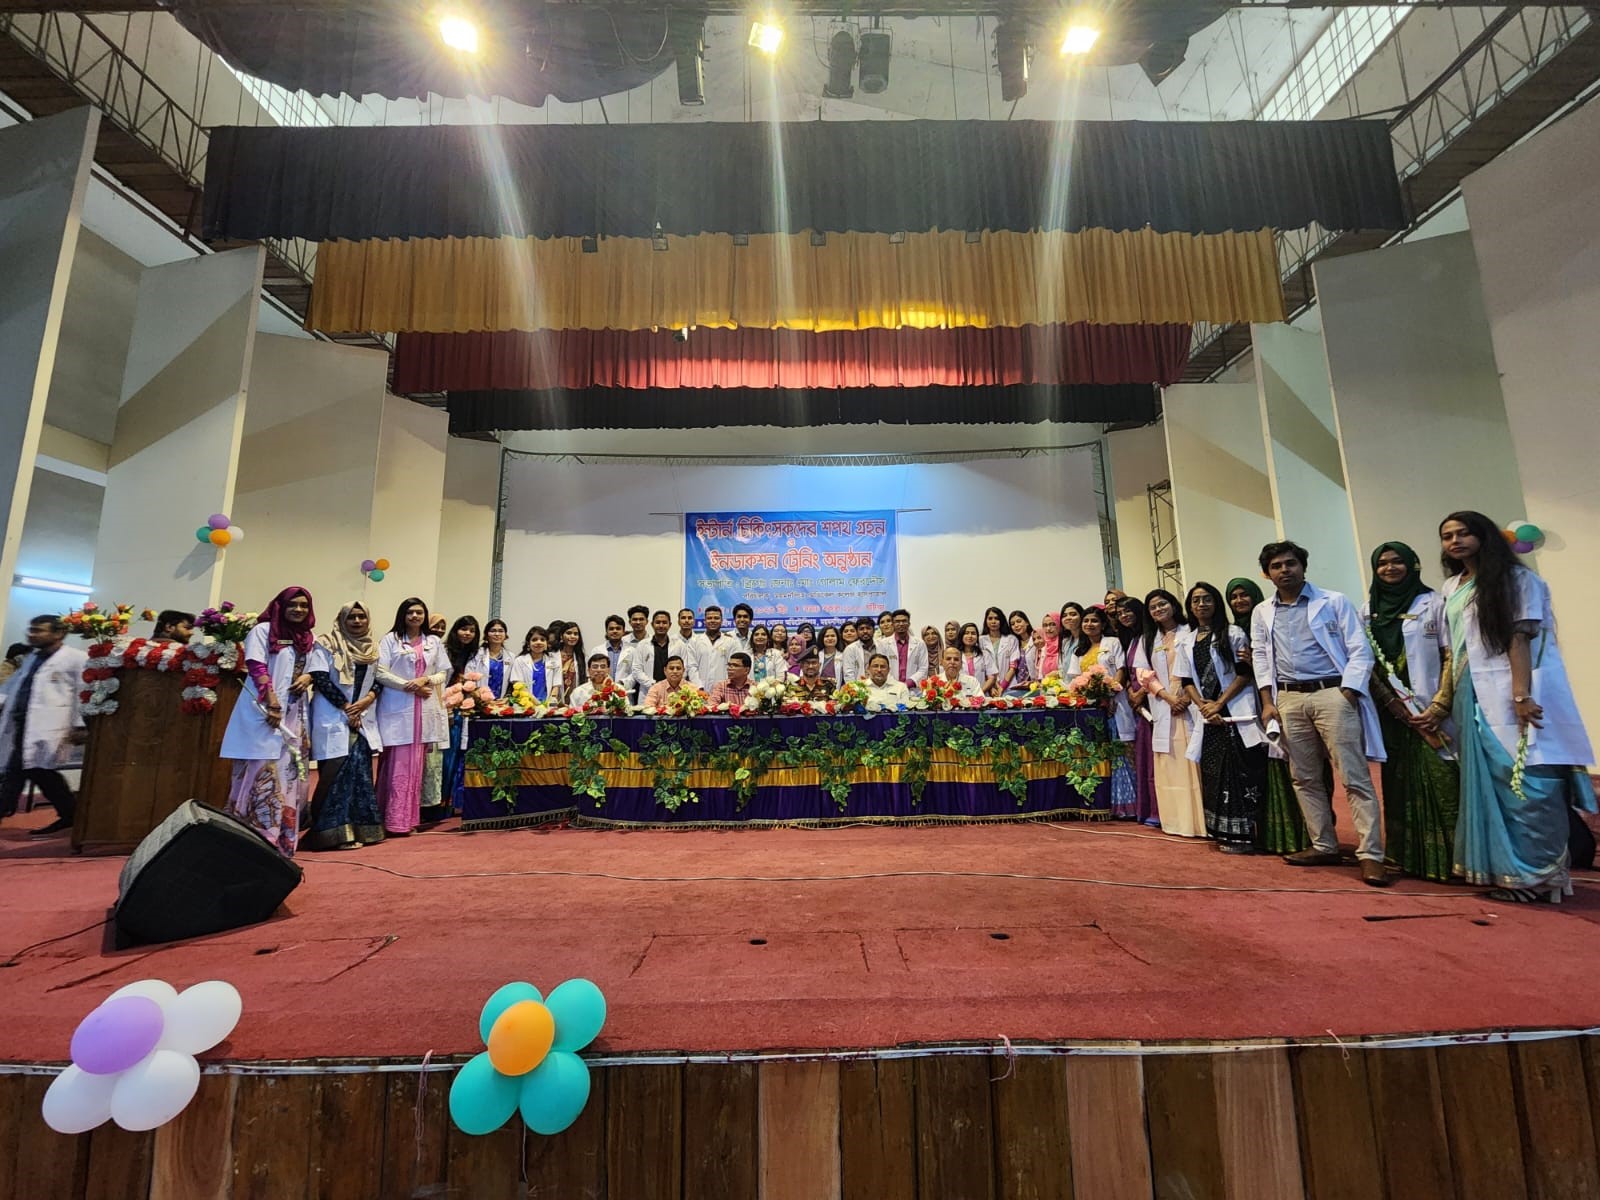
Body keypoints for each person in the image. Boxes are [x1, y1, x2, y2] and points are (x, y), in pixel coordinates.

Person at [1435, 511, 1595, 903]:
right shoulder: (1453, 586)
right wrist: (1444, 700)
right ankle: (1509, 873)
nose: (1455, 541)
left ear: (1484, 536)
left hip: (1513, 691)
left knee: (1525, 782)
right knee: (1491, 783)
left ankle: (1540, 876)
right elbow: (1453, 650)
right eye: (1447, 536)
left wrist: (1521, 696)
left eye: (1464, 533)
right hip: (1471, 694)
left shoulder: (1518, 580)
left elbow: (1519, 638)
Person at [1250, 541, 1388, 886]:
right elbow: (1260, 656)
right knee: (1304, 777)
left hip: (1332, 693)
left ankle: (1371, 854)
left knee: (1354, 776)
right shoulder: (1262, 611)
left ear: (1303, 566)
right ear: (1267, 573)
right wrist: (1267, 701)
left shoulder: (1334, 601)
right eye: (1276, 566)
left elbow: (1360, 649)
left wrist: (1348, 692)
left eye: (1290, 563)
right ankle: (1324, 844)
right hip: (1289, 699)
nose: (1285, 570)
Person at [1362, 542, 1460, 882]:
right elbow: (1366, 664)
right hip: (1391, 715)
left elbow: (1451, 655)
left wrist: (1440, 705)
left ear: (1412, 565)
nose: (1389, 568)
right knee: (1398, 782)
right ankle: (1405, 856)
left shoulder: (1434, 603)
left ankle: (1452, 860)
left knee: (1443, 779)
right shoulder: (1367, 611)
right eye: (1382, 563)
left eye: (1397, 562)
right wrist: (1392, 705)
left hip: (1433, 712)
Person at [218, 588, 316, 855]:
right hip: (264, 712)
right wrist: (271, 702)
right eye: (292, 605)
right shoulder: (263, 631)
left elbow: (314, 668)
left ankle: (282, 843)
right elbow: (256, 666)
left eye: (303, 605)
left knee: (289, 776)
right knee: (260, 773)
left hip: (294, 715)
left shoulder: (309, 637)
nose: (298, 610)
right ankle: (252, 842)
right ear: (280, 606)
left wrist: (308, 677)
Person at [1180, 583, 1269, 854]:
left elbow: (1244, 673)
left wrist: (1219, 704)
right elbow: (1186, 680)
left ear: (1216, 603)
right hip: (1208, 718)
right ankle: (1222, 832)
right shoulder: (1187, 639)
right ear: (1190, 607)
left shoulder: (1233, 633)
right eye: (1196, 600)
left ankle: (1245, 837)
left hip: (1233, 713)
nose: (1201, 604)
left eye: (1207, 599)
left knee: (1239, 773)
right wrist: (1204, 707)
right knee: (1214, 775)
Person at [1224, 577, 1310, 855]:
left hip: (1278, 701)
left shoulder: (1268, 621)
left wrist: (1257, 662)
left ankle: (1302, 837)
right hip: (1249, 708)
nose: (1239, 601)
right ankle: (1269, 836)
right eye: (1233, 597)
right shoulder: (1232, 632)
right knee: (1260, 772)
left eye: (1244, 595)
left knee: (1293, 767)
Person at [303, 602, 383, 850]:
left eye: (361, 617)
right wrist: (347, 707)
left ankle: (363, 830)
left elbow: (379, 679)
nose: (357, 621)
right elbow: (320, 678)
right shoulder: (326, 643)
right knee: (335, 776)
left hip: (361, 717)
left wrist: (366, 701)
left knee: (360, 776)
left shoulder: (373, 648)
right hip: (334, 715)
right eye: (351, 617)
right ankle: (331, 833)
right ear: (342, 620)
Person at [0, 616, 87, 836]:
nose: (32, 634)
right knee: (33, 771)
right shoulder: (32, 657)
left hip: (49, 726)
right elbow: (13, 686)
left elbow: (83, 693)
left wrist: (79, 725)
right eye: (31, 630)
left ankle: (70, 814)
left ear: (58, 634)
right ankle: (70, 814)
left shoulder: (76, 658)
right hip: (22, 723)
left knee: (26, 771)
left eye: (39, 630)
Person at [374, 597, 449, 836]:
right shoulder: (390, 640)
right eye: (410, 612)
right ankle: (391, 820)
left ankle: (408, 820)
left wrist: (425, 680)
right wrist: (409, 686)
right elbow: (380, 672)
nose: (415, 616)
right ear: (403, 615)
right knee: (396, 767)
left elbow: (443, 672)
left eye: (419, 612)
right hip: (398, 708)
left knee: (416, 768)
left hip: (423, 711)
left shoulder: (433, 641)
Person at [1137, 590, 1206, 838]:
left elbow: (1201, 666)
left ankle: (1199, 823)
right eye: (1153, 607)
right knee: (1170, 765)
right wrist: (1167, 697)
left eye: (1162, 604)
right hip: (1164, 705)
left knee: (1193, 763)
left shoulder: (1191, 631)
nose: (1158, 609)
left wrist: (1186, 698)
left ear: (1174, 605)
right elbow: (1143, 673)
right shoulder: (1148, 639)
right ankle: (1176, 822)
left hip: (1191, 704)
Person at [1069, 606, 1135, 818]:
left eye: (1094, 621)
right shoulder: (1079, 650)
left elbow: (1121, 670)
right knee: (1099, 753)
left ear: (1103, 624)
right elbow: (1075, 679)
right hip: (1091, 709)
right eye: (1086, 621)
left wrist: (1111, 694)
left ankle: (1128, 805)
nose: (1089, 624)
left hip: (1115, 704)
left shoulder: (1112, 643)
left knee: (1121, 749)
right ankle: (1105, 802)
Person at [1114, 596, 1157, 827]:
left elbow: (1155, 669)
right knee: (1143, 757)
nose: (1124, 615)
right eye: (1120, 613)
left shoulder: (1150, 637)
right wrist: (1132, 691)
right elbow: (1131, 673)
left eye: (1128, 611)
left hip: (1153, 700)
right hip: (1138, 704)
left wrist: (1141, 693)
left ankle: (1158, 810)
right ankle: (1147, 809)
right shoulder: (1131, 640)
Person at [439, 616, 481, 816]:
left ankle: (450, 803)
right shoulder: (445, 651)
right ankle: (435, 804)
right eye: (464, 629)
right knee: (445, 757)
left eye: (472, 630)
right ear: (456, 631)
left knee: (458, 757)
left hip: (464, 710)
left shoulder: (475, 654)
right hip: (444, 708)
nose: (467, 634)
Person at [980, 606, 1020, 697]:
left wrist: (1002, 686)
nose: (993, 621)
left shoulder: (1011, 639)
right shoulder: (980, 640)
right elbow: (982, 667)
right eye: (990, 618)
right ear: (986, 621)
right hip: (988, 687)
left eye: (996, 618)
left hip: (1009, 685)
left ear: (1001, 620)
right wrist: (990, 687)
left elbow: (1013, 667)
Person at [468, 619, 512, 699]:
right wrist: (477, 695)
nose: (497, 634)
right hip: (479, 701)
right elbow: (468, 678)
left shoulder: (511, 657)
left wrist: (507, 698)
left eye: (501, 631)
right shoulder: (476, 654)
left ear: (505, 635)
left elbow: (512, 683)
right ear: (486, 635)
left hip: (501, 702)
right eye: (493, 631)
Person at [512, 626, 559, 702]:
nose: (539, 642)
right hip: (526, 704)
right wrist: (536, 703)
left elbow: (556, 685)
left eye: (542, 640)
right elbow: (519, 685)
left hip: (547, 705)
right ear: (528, 644)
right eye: (534, 640)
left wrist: (550, 702)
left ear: (547, 643)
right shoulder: (520, 661)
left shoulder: (554, 661)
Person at [691, 605, 734, 688]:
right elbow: (692, 667)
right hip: (700, 689)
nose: (713, 621)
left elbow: (733, 667)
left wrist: (726, 686)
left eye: (716, 618)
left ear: (721, 621)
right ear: (704, 621)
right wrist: (699, 686)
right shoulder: (694, 641)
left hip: (724, 688)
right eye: (709, 618)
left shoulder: (730, 641)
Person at [888, 609, 929, 685]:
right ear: (892, 624)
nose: (901, 624)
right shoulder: (883, 644)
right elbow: (882, 668)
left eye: (904, 621)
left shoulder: (920, 643)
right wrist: (895, 685)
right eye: (897, 621)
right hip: (890, 687)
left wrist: (909, 683)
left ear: (909, 623)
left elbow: (923, 668)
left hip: (912, 688)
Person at [621, 605, 651, 703]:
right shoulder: (623, 641)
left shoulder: (653, 641)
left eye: (641, 619)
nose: (638, 622)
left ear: (647, 621)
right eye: (635, 619)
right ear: (630, 622)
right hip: (627, 684)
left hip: (647, 684)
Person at [840, 616, 878, 682]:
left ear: (874, 630)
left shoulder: (883, 646)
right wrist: (855, 687)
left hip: (881, 685)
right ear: (857, 632)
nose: (865, 631)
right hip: (860, 686)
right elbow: (848, 674)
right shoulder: (850, 649)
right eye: (861, 629)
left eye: (868, 628)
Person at [555, 622, 587, 698]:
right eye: (569, 633)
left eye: (575, 634)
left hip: (576, 699)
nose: (572, 636)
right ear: (561, 636)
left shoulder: (582, 657)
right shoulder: (552, 656)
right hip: (555, 698)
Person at [957, 622, 989, 691]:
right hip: (961, 694)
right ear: (961, 636)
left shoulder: (985, 654)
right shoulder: (956, 654)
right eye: (966, 633)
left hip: (982, 692)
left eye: (973, 633)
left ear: (977, 637)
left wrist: (979, 692)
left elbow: (991, 677)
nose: (970, 636)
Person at [600, 614, 628, 683]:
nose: (615, 631)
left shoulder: (631, 651)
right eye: (611, 629)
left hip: (624, 688)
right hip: (602, 687)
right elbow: (592, 672)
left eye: (618, 628)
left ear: (623, 631)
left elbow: (634, 673)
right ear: (606, 631)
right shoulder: (597, 650)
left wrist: (623, 683)